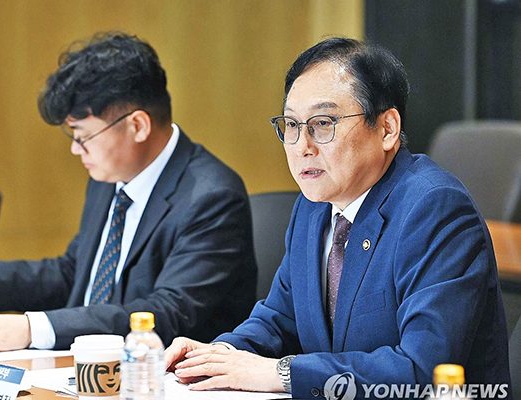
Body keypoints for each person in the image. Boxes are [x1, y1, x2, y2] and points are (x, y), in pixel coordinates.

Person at [164, 37, 511, 397]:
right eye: (292, 125)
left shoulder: (435, 209)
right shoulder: (314, 206)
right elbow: (280, 318)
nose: (302, 146)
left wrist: (282, 373)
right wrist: (217, 355)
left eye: (323, 123)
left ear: (387, 129)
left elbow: (423, 370)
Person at [0, 31, 257, 353]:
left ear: (137, 125)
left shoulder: (211, 196)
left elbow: (167, 313)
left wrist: (31, 328)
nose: (75, 149)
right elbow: (71, 274)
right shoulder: (109, 176)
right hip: (81, 371)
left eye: (83, 136)